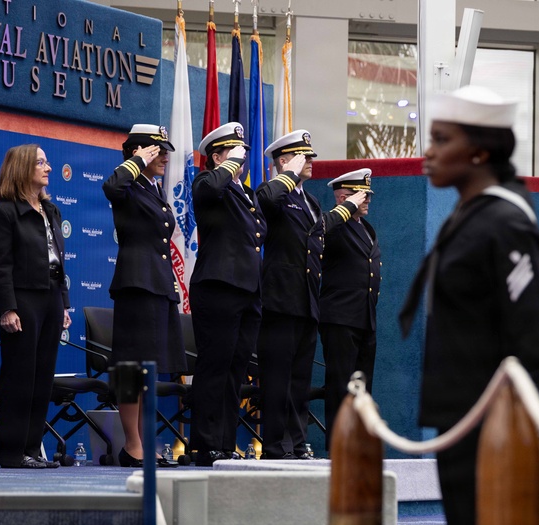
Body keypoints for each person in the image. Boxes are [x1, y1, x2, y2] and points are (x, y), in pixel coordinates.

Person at [398, 85, 539, 525]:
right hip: (466, 428)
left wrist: (519, 437)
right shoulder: (472, 216)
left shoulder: (504, 224)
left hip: (497, 439)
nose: (428, 151)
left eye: (442, 140)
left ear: (479, 153)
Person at [254, 130, 367, 459]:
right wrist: (287, 174)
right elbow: (263, 201)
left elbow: (316, 234)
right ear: (285, 161)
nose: (311, 162)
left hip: (306, 300)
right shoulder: (276, 193)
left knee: (299, 379)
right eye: (304, 156)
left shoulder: (311, 201)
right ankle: (275, 445)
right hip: (280, 299)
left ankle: (297, 442)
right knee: (277, 377)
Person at [102, 124, 186, 467]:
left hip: (158, 283)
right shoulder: (129, 184)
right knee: (130, 369)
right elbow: (110, 186)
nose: (165, 155)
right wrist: (135, 161)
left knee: (148, 369)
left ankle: (143, 444)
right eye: (157, 150)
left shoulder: (151, 189)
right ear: (139, 151)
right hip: (136, 284)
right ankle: (132, 445)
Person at [0, 144, 71, 469]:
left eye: (47, 162)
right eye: (41, 163)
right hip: (22, 299)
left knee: (43, 376)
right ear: (22, 169)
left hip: (50, 295)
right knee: (20, 376)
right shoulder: (5, 213)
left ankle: (32, 450)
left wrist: (64, 303)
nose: (48, 168)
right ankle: (10, 451)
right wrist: (7, 308)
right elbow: (1, 265)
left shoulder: (51, 211)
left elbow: (59, 262)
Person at [188, 122, 268, 466]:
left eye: (244, 153)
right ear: (217, 155)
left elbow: (258, 231)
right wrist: (228, 165)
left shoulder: (245, 193)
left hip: (247, 290)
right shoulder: (207, 181)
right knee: (215, 367)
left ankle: (223, 442)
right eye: (234, 152)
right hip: (219, 286)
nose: (242, 158)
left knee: (235, 370)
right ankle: (205, 445)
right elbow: (210, 192)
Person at [319, 167, 381, 445]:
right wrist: (345, 209)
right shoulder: (333, 225)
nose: (368, 199)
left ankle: (357, 443)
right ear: (343, 196)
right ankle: (338, 445)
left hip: (365, 318)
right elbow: (319, 231)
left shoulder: (366, 228)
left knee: (362, 386)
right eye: (362, 195)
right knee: (340, 385)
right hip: (340, 317)